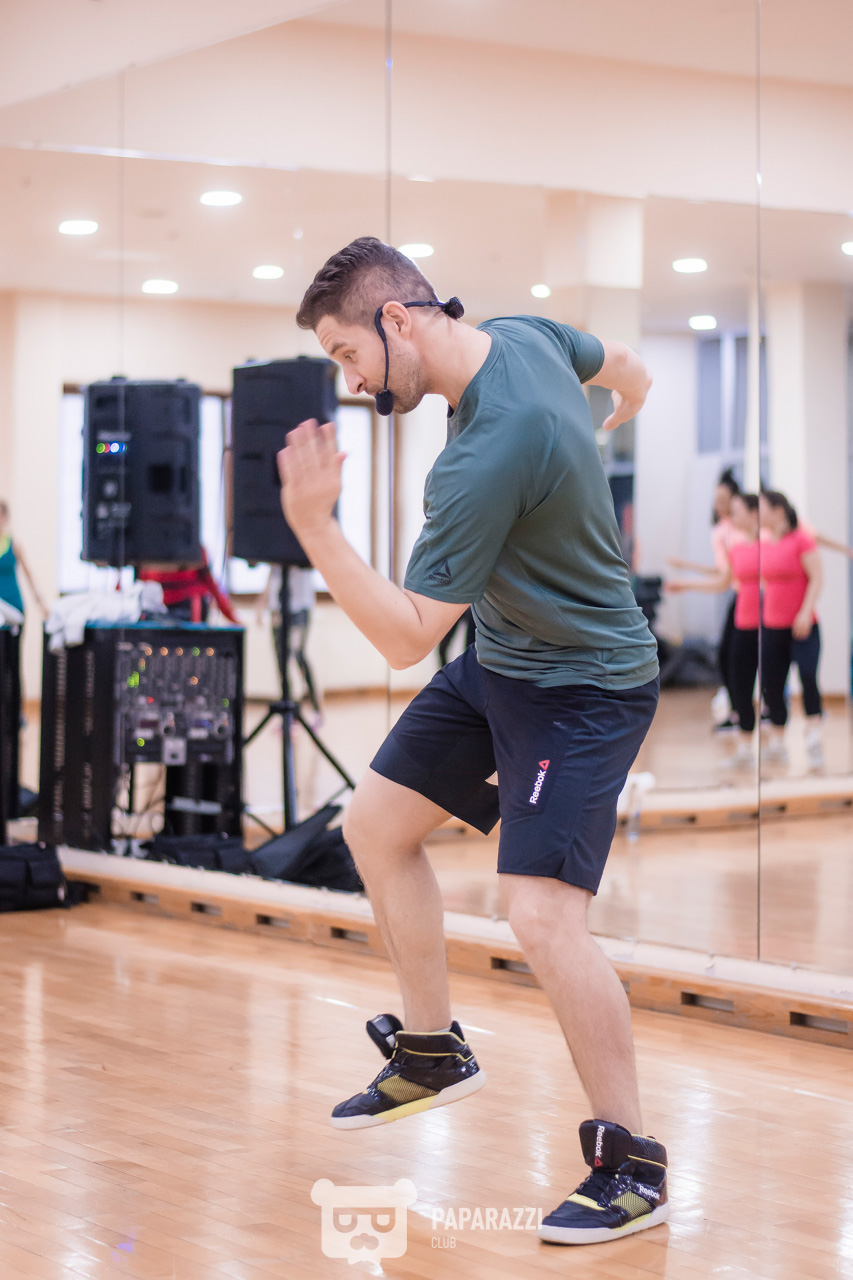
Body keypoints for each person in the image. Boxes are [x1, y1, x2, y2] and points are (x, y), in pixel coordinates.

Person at [278, 237, 668, 1247]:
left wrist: (315, 528)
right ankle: (430, 1050)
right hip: (506, 659)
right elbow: (625, 364)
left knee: (540, 915)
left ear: (395, 319)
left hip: (585, 687)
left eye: (346, 352)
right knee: (373, 826)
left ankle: (632, 1162)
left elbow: (408, 637)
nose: (349, 378)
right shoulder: (525, 336)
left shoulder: (485, 452)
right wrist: (625, 402)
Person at [668, 492, 761, 767]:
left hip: (763, 617)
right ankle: (744, 744)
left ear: (753, 513)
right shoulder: (739, 548)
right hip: (742, 611)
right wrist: (685, 584)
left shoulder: (767, 545)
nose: (731, 515)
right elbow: (723, 580)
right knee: (736, 673)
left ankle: (769, 738)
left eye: (736, 510)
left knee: (758, 676)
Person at [667, 467, 744, 731]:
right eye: (716, 501)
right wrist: (686, 566)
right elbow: (723, 572)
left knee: (733, 657)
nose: (718, 506)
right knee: (727, 656)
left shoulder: (737, 532)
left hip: (745, 595)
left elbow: (724, 578)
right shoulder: (722, 530)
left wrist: (685, 583)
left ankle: (742, 714)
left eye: (723, 501)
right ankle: (738, 713)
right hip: (738, 594)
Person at [759, 490, 824, 768]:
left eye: (762, 507)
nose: (758, 513)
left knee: (807, 675)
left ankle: (814, 733)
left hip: (803, 625)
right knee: (772, 683)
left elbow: (817, 577)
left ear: (778, 511)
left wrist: (804, 612)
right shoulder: (764, 543)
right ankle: (777, 739)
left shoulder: (801, 539)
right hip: (772, 625)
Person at [137, 548, 238, 625]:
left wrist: (233, 618)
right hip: (157, 607)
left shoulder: (194, 548)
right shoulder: (148, 548)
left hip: (190, 606)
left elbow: (211, 583)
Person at [0, 500, 48, 622]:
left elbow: (28, 574)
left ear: (5, 518)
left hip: (13, 604)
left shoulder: (14, 544)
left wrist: (40, 602)